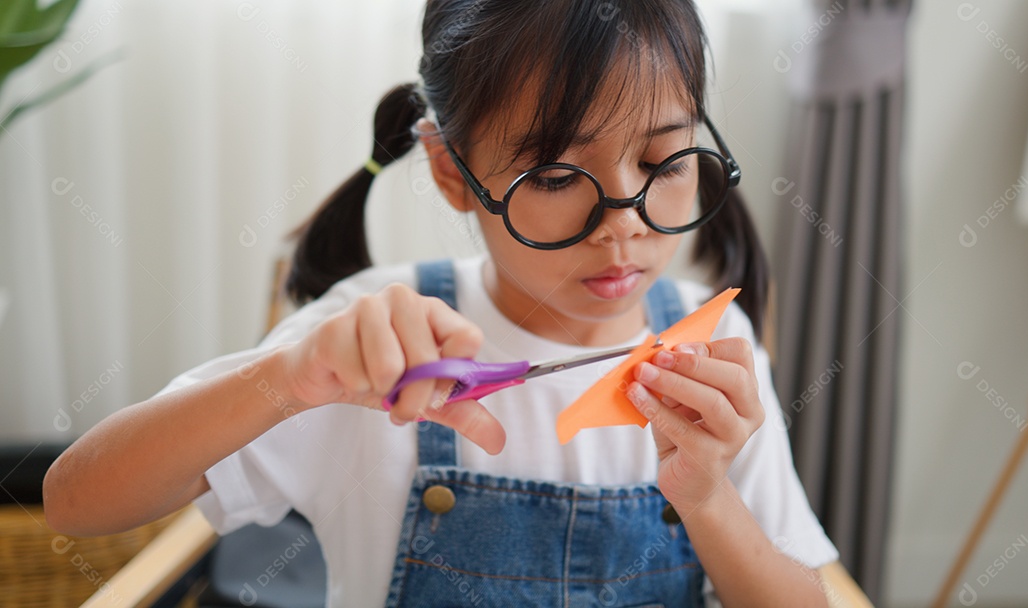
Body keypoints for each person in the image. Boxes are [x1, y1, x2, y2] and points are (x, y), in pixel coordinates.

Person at [44, 0, 839, 605]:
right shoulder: (367, 347)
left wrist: (708, 498)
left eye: (664, 159)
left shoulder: (712, 344)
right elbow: (75, 501)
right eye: (559, 177)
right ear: (452, 171)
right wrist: (288, 379)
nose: (624, 222)